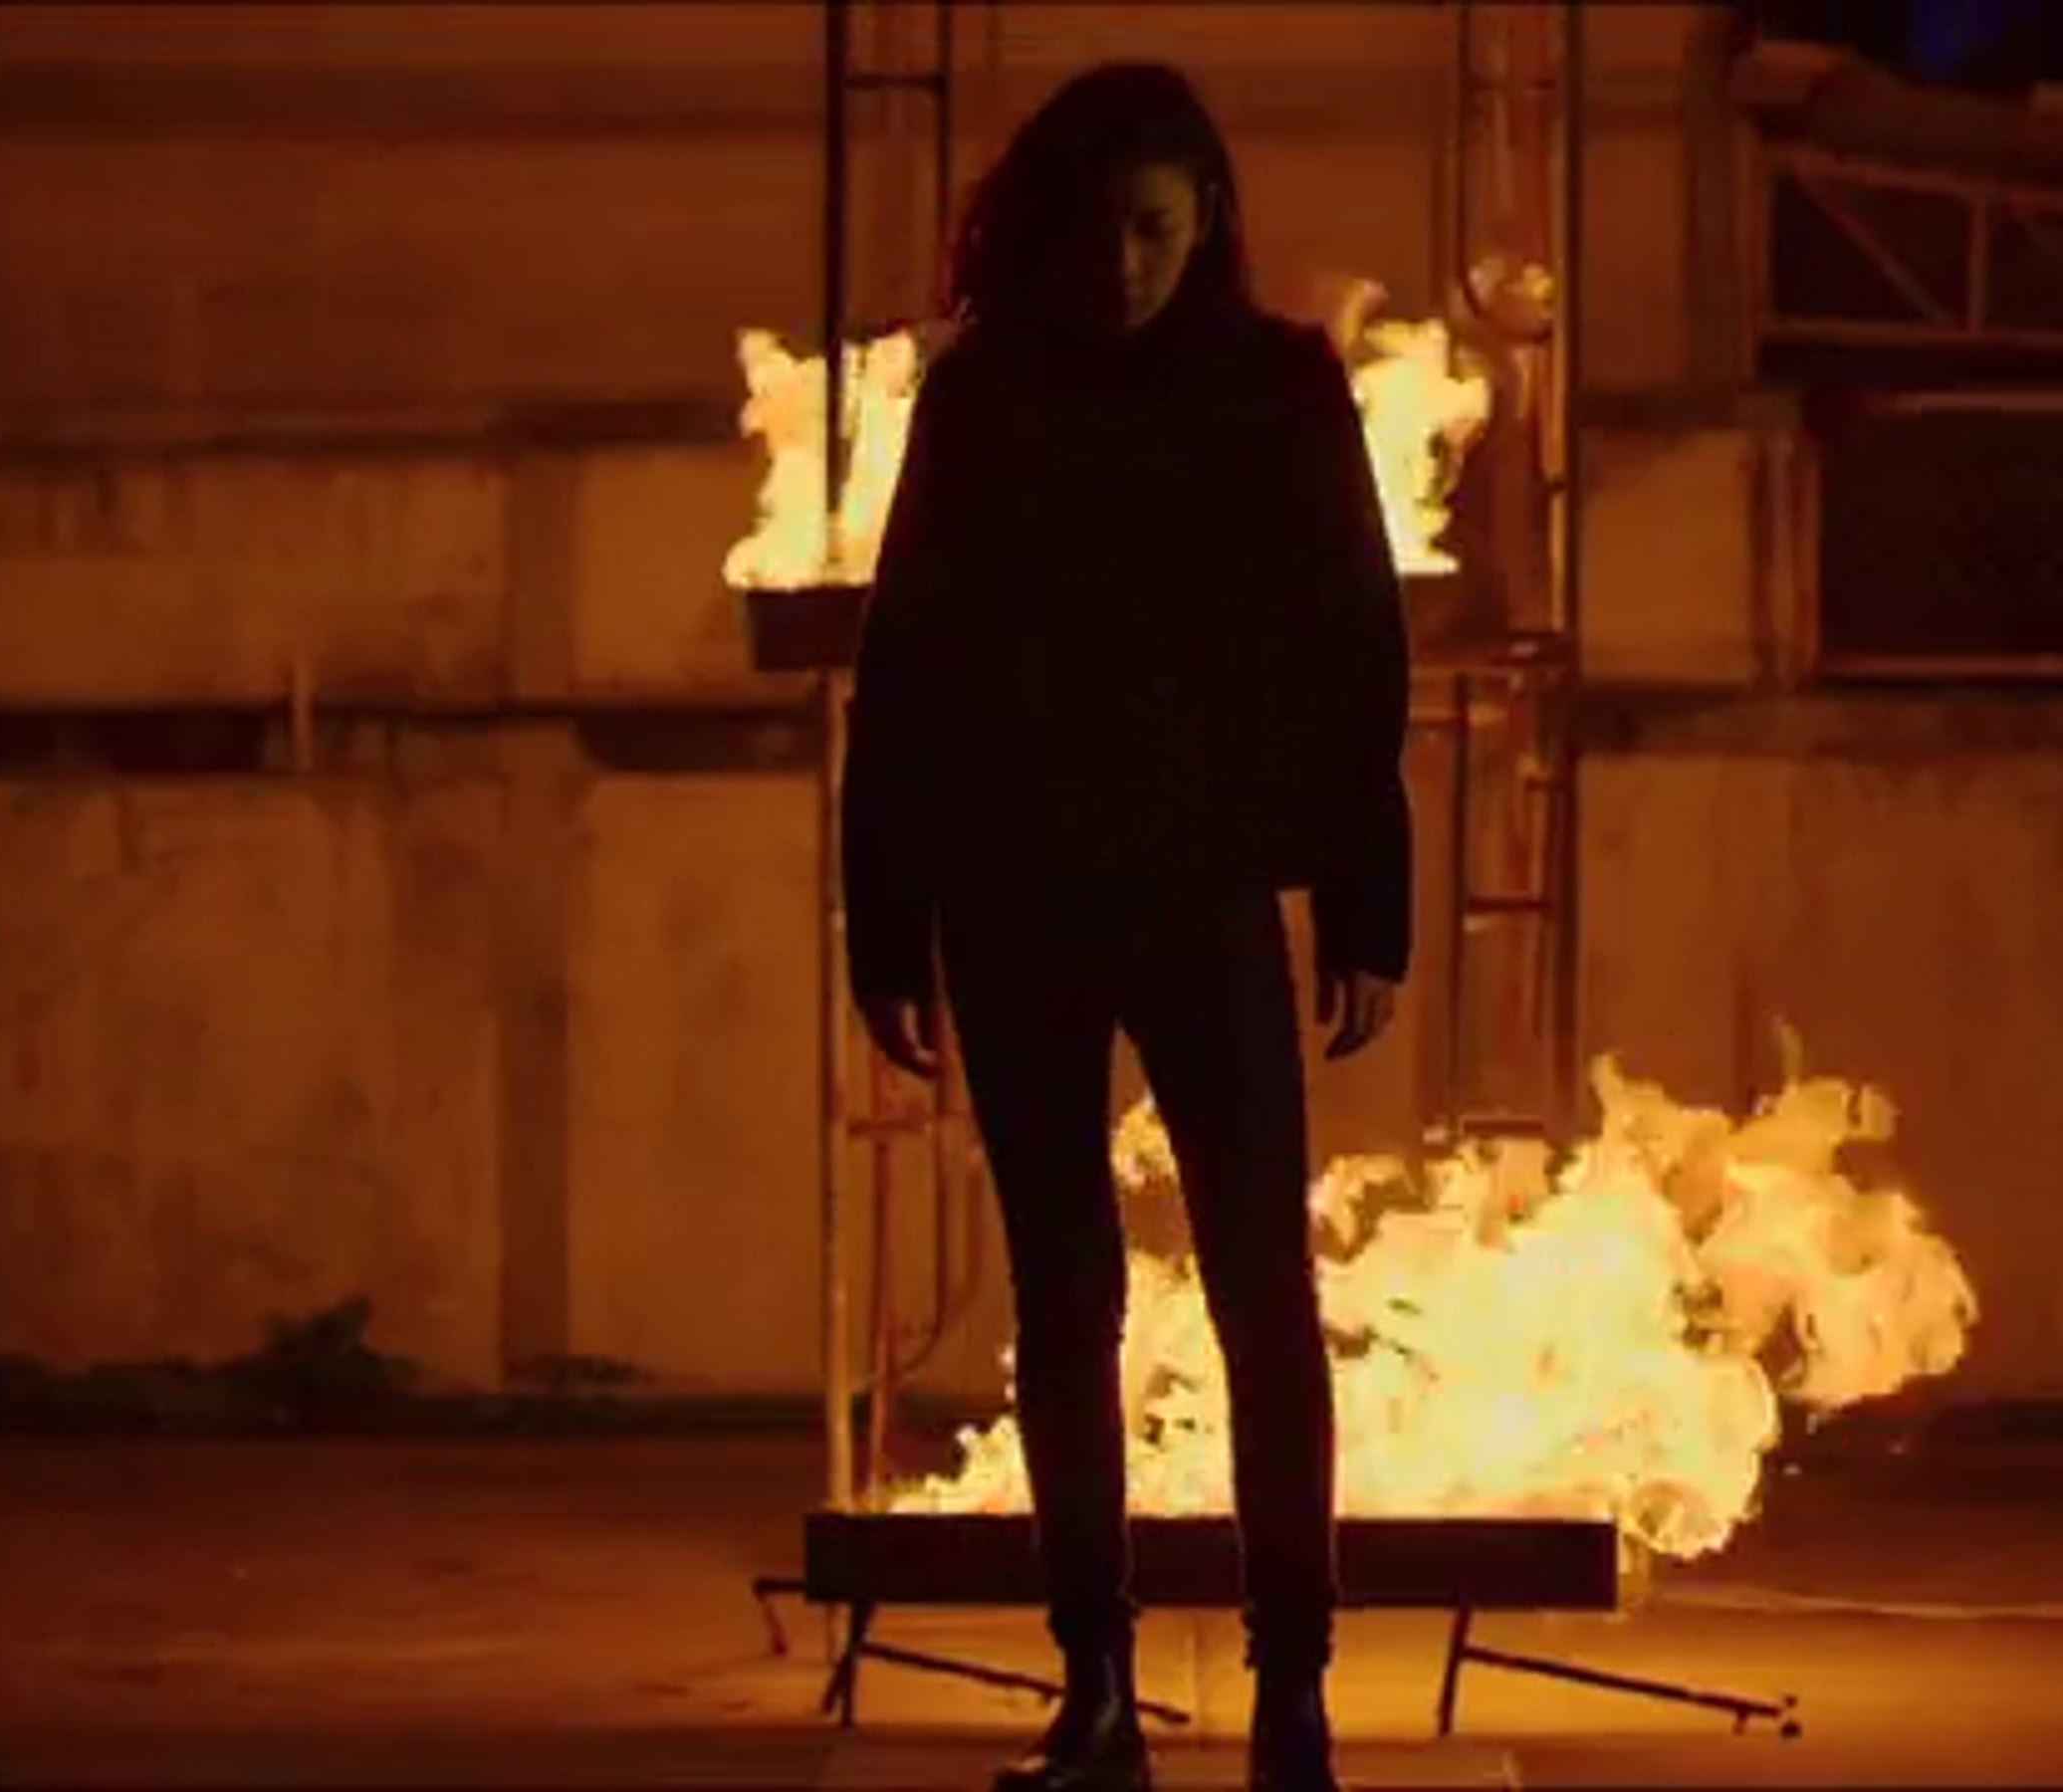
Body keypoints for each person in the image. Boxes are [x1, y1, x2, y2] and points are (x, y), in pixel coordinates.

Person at [840, 61, 1412, 1792]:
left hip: (1200, 889)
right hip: (1012, 893)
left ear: (1206, 220)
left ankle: (1294, 1689)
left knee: (1261, 1294)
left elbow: (1353, 645)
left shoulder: (1277, 388)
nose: (1125, 269)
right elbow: (908, 667)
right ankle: (1094, 1688)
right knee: (1065, 1295)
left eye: (1154, 232)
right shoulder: (984, 396)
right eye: (1098, 235)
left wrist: (1364, 897)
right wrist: (887, 924)